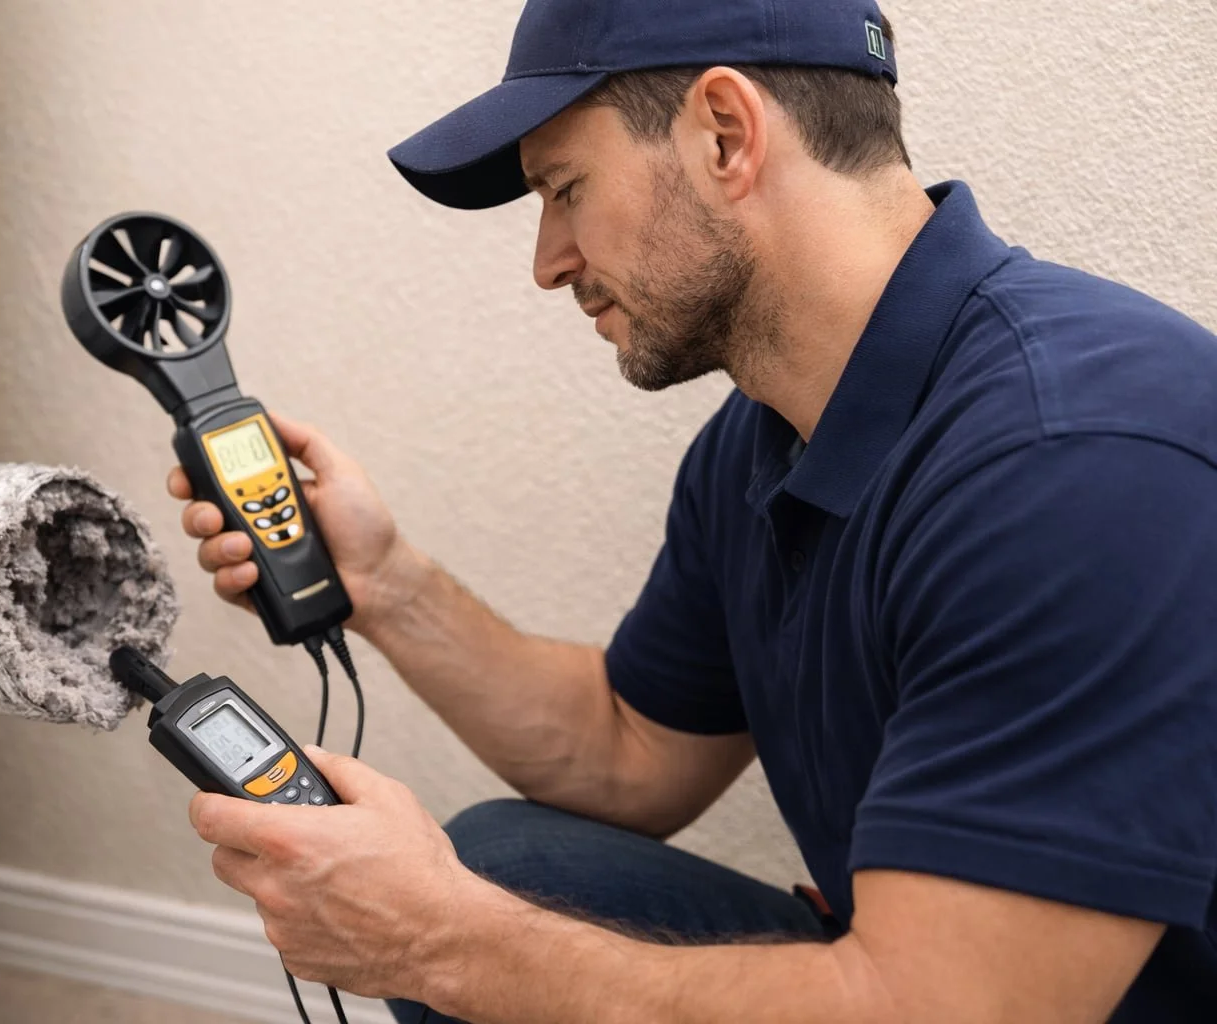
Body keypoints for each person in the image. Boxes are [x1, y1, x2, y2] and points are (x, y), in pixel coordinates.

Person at [169, 1, 1217, 1020]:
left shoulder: (1075, 458)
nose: (548, 264)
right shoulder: (767, 435)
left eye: (565, 188)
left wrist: (440, 940)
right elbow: (632, 751)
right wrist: (387, 586)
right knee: (510, 864)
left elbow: (948, 1008)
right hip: (931, 976)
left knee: (476, 932)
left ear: (726, 134)